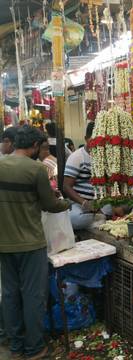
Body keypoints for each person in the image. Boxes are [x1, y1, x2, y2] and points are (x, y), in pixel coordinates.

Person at [0, 126, 70, 359]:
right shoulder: (36, 169)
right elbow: (49, 205)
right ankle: (34, 348)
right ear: (33, 146)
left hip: (4, 242)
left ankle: (16, 346)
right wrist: (66, 203)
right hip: (30, 243)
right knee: (32, 295)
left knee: (10, 294)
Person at [64, 122, 112, 230]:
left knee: (121, 207)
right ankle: (101, 219)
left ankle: (99, 219)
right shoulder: (77, 157)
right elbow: (66, 186)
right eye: (93, 141)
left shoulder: (105, 156)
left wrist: (107, 200)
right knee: (74, 219)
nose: (96, 145)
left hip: (101, 203)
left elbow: (108, 183)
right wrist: (85, 203)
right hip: (80, 204)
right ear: (86, 139)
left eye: (100, 142)